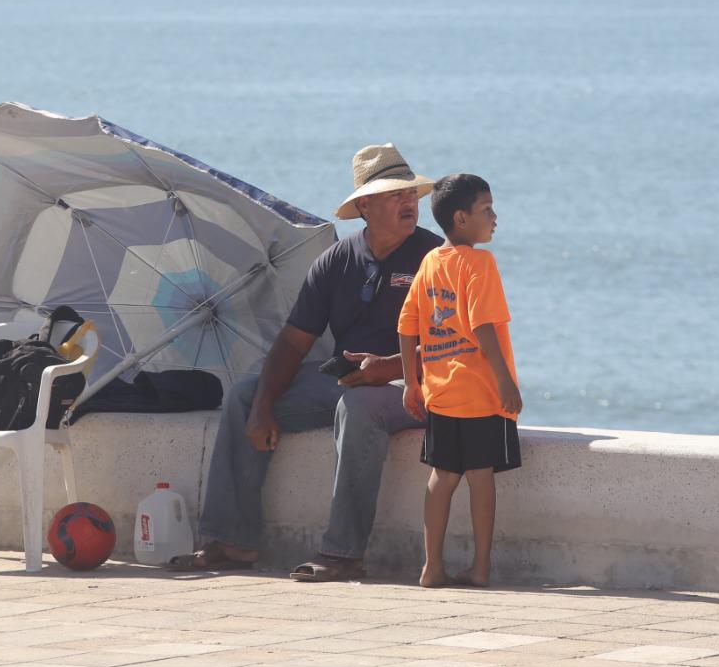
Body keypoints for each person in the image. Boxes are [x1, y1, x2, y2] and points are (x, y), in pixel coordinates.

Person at [173, 143, 442, 581]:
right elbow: (294, 342)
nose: (408, 201)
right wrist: (263, 407)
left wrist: (389, 368)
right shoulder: (336, 259)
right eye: (395, 194)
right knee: (244, 396)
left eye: (410, 193)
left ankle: (343, 553)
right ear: (364, 206)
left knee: (360, 406)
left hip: (414, 386)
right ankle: (230, 541)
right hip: (350, 382)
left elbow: (450, 345)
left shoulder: (437, 258)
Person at [398, 173, 522, 588]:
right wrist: (506, 381)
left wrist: (411, 383)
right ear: (461, 218)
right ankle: (480, 567)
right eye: (486, 210)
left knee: (442, 476)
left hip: (441, 393)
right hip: (481, 393)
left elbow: (407, 324)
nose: (495, 217)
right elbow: (484, 325)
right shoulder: (480, 264)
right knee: (480, 476)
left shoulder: (431, 261)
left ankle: (431, 566)